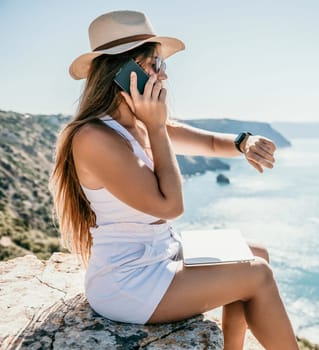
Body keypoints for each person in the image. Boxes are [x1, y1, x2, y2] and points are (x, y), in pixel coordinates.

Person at [50, 10, 299, 350]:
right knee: (257, 275)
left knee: (258, 253)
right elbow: (171, 206)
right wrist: (155, 126)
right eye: (155, 65)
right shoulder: (94, 137)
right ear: (124, 72)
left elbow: (211, 142)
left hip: (161, 253)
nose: (163, 76)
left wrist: (245, 142)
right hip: (128, 281)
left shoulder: (139, 124)